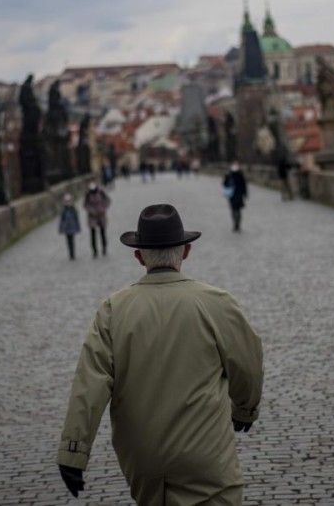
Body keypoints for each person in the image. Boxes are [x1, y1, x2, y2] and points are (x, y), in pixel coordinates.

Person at [57, 204, 264, 505]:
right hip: (206, 453)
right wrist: (245, 409)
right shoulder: (217, 303)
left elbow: (89, 384)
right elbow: (248, 364)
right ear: (187, 251)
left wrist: (73, 452)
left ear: (139, 256)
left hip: (144, 458)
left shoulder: (113, 310)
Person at [83, 182, 111, 258]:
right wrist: (91, 211)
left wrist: (103, 208)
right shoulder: (88, 194)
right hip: (92, 216)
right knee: (93, 234)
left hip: (101, 215)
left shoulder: (101, 192)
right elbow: (85, 205)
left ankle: (104, 248)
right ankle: (95, 251)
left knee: (102, 233)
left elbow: (107, 200)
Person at [223, 162, 248, 232]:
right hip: (236, 195)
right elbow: (244, 185)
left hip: (234, 195)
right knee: (237, 210)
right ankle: (237, 224)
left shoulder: (231, 174)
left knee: (235, 210)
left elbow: (224, 184)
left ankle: (236, 224)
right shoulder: (237, 174)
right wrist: (245, 194)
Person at [58, 193, 81, 260]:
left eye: (69, 201)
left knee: (72, 240)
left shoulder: (73, 210)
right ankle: (71, 253)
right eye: (66, 202)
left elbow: (76, 219)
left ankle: (72, 253)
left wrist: (77, 227)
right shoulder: (64, 210)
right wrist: (61, 228)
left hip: (72, 227)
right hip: (66, 228)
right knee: (68, 241)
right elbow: (62, 220)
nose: (68, 203)